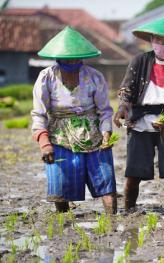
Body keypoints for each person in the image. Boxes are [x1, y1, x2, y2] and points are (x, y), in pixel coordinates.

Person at [113, 14, 164, 212]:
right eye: (157, 40)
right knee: (133, 175)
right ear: (151, 41)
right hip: (139, 122)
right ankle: (128, 211)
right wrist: (123, 107)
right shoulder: (140, 61)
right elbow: (127, 89)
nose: (161, 44)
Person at [31, 26, 117, 213]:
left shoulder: (94, 77)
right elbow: (39, 113)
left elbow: (104, 111)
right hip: (59, 135)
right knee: (61, 185)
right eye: (67, 58)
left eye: (75, 58)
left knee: (105, 179)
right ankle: (63, 220)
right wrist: (44, 143)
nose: (71, 61)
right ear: (58, 58)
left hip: (93, 133)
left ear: (82, 57)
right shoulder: (46, 77)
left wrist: (106, 133)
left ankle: (113, 220)